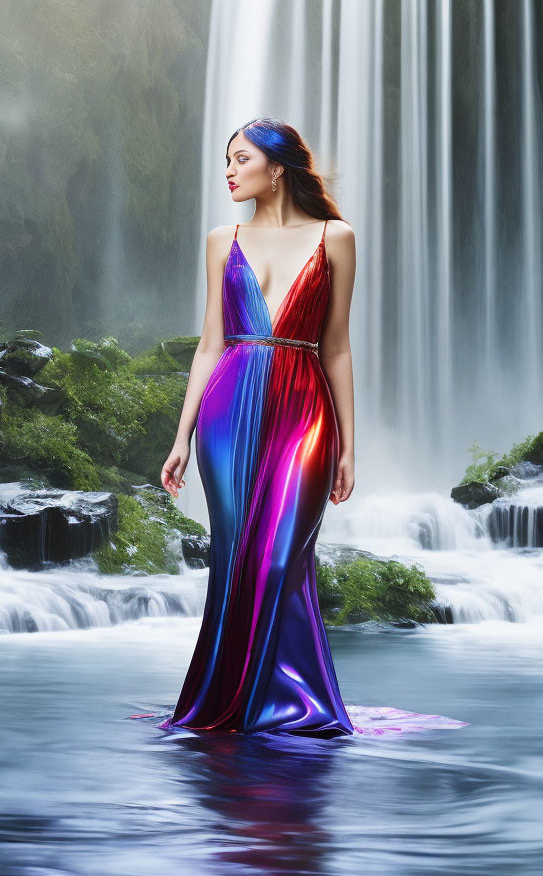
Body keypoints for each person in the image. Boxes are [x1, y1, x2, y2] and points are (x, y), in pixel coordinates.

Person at [159, 117, 358, 737]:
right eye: (226, 159)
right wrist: (181, 436)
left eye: (239, 159)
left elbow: (338, 348)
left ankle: (291, 702)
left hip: (304, 409)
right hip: (228, 407)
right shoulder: (223, 238)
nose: (228, 170)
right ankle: (237, 703)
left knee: (278, 559)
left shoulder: (336, 237)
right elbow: (210, 344)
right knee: (234, 556)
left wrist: (350, 445)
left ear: (277, 168)